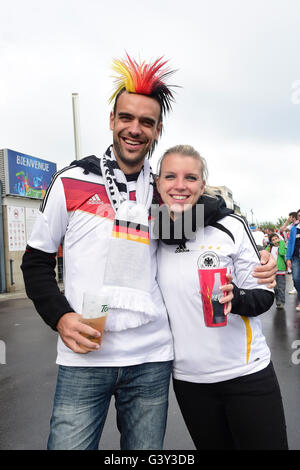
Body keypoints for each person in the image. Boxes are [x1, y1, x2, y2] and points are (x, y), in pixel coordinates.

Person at [21, 55, 277, 451]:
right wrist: (60, 317)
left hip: (152, 359)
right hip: (85, 357)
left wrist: (259, 251)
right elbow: (35, 261)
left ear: (158, 130)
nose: (134, 129)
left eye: (146, 122)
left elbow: (207, 210)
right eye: (127, 118)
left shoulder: (158, 191)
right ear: (112, 120)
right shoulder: (72, 181)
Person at [155, 145, 288, 450]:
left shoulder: (230, 226)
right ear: (158, 183)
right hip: (190, 381)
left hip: (246, 374)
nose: (180, 185)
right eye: (170, 176)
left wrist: (236, 298)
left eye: (190, 177)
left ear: (202, 185)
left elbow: (263, 296)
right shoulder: (154, 230)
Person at [266, 233, 287, 309]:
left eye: (276, 239)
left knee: (281, 287)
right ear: (271, 241)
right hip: (272, 271)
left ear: (279, 239)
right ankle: (277, 299)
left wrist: (281, 242)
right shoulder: (269, 248)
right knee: (275, 287)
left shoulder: (282, 247)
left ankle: (280, 302)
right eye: (273, 240)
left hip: (281, 270)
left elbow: (282, 253)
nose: (275, 241)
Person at [286, 209, 300, 311]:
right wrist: (288, 258)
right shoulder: (294, 229)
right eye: (299, 215)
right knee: (296, 279)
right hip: (296, 258)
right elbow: (290, 243)